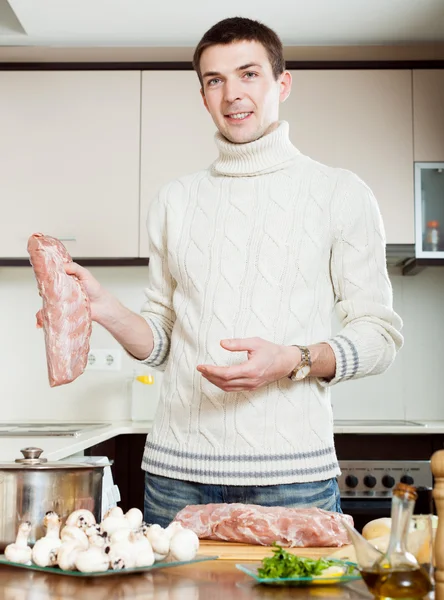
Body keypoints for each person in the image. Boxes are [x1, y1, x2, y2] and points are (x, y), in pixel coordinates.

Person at [67, 17, 403, 527]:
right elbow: (162, 343)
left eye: (248, 74)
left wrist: (293, 359)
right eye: (214, 80)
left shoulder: (341, 192)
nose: (232, 95)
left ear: (282, 84)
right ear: (203, 95)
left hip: (294, 477)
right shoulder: (174, 201)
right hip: (175, 478)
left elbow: (380, 336)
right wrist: (106, 310)